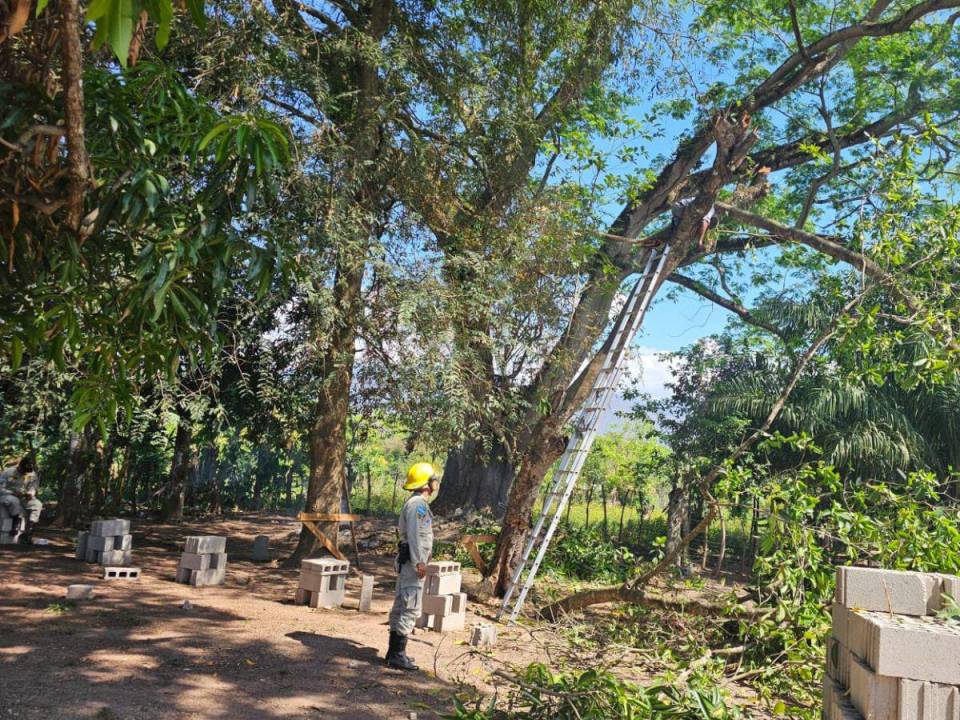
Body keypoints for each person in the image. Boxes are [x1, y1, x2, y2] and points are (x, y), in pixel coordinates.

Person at [385, 462, 437, 671]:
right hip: (413, 564)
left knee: (401, 604)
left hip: (408, 562)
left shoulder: (415, 503)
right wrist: (419, 562)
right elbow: (415, 536)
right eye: (434, 480)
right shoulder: (418, 505)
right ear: (428, 484)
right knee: (410, 606)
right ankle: (397, 655)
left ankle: (394, 653)